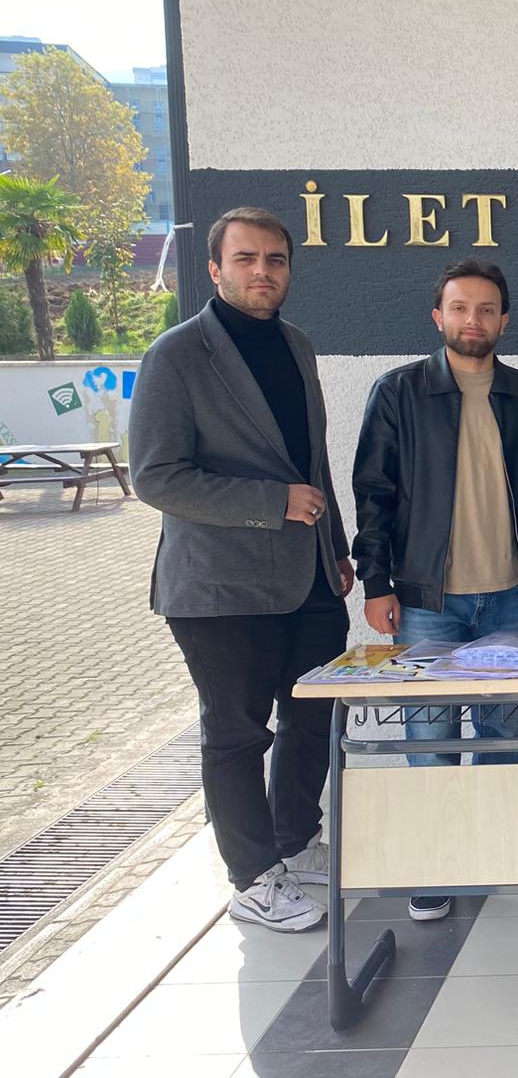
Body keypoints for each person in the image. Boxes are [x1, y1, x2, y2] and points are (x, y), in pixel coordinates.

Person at [130, 207, 353, 933]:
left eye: (275, 260)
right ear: (215, 269)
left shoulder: (296, 345)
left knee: (311, 717)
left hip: (308, 575)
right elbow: (156, 476)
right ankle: (253, 878)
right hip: (220, 585)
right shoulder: (177, 355)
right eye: (247, 259)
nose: (263, 272)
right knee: (236, 734)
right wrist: (272, 503)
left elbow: (311, 464)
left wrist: (336, 549)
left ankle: (295, 839)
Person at [351, 256, 518, 921]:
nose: (473, 320)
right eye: (460, 308)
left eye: (486, 309)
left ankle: (488, 847)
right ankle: (435, 861)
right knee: (430, 735)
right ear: (438, 316)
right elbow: (373, 493)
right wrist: (375, 582)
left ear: (504, 321)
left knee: (502, 731)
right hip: (425, 600)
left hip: (509, 594)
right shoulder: (398, 392)